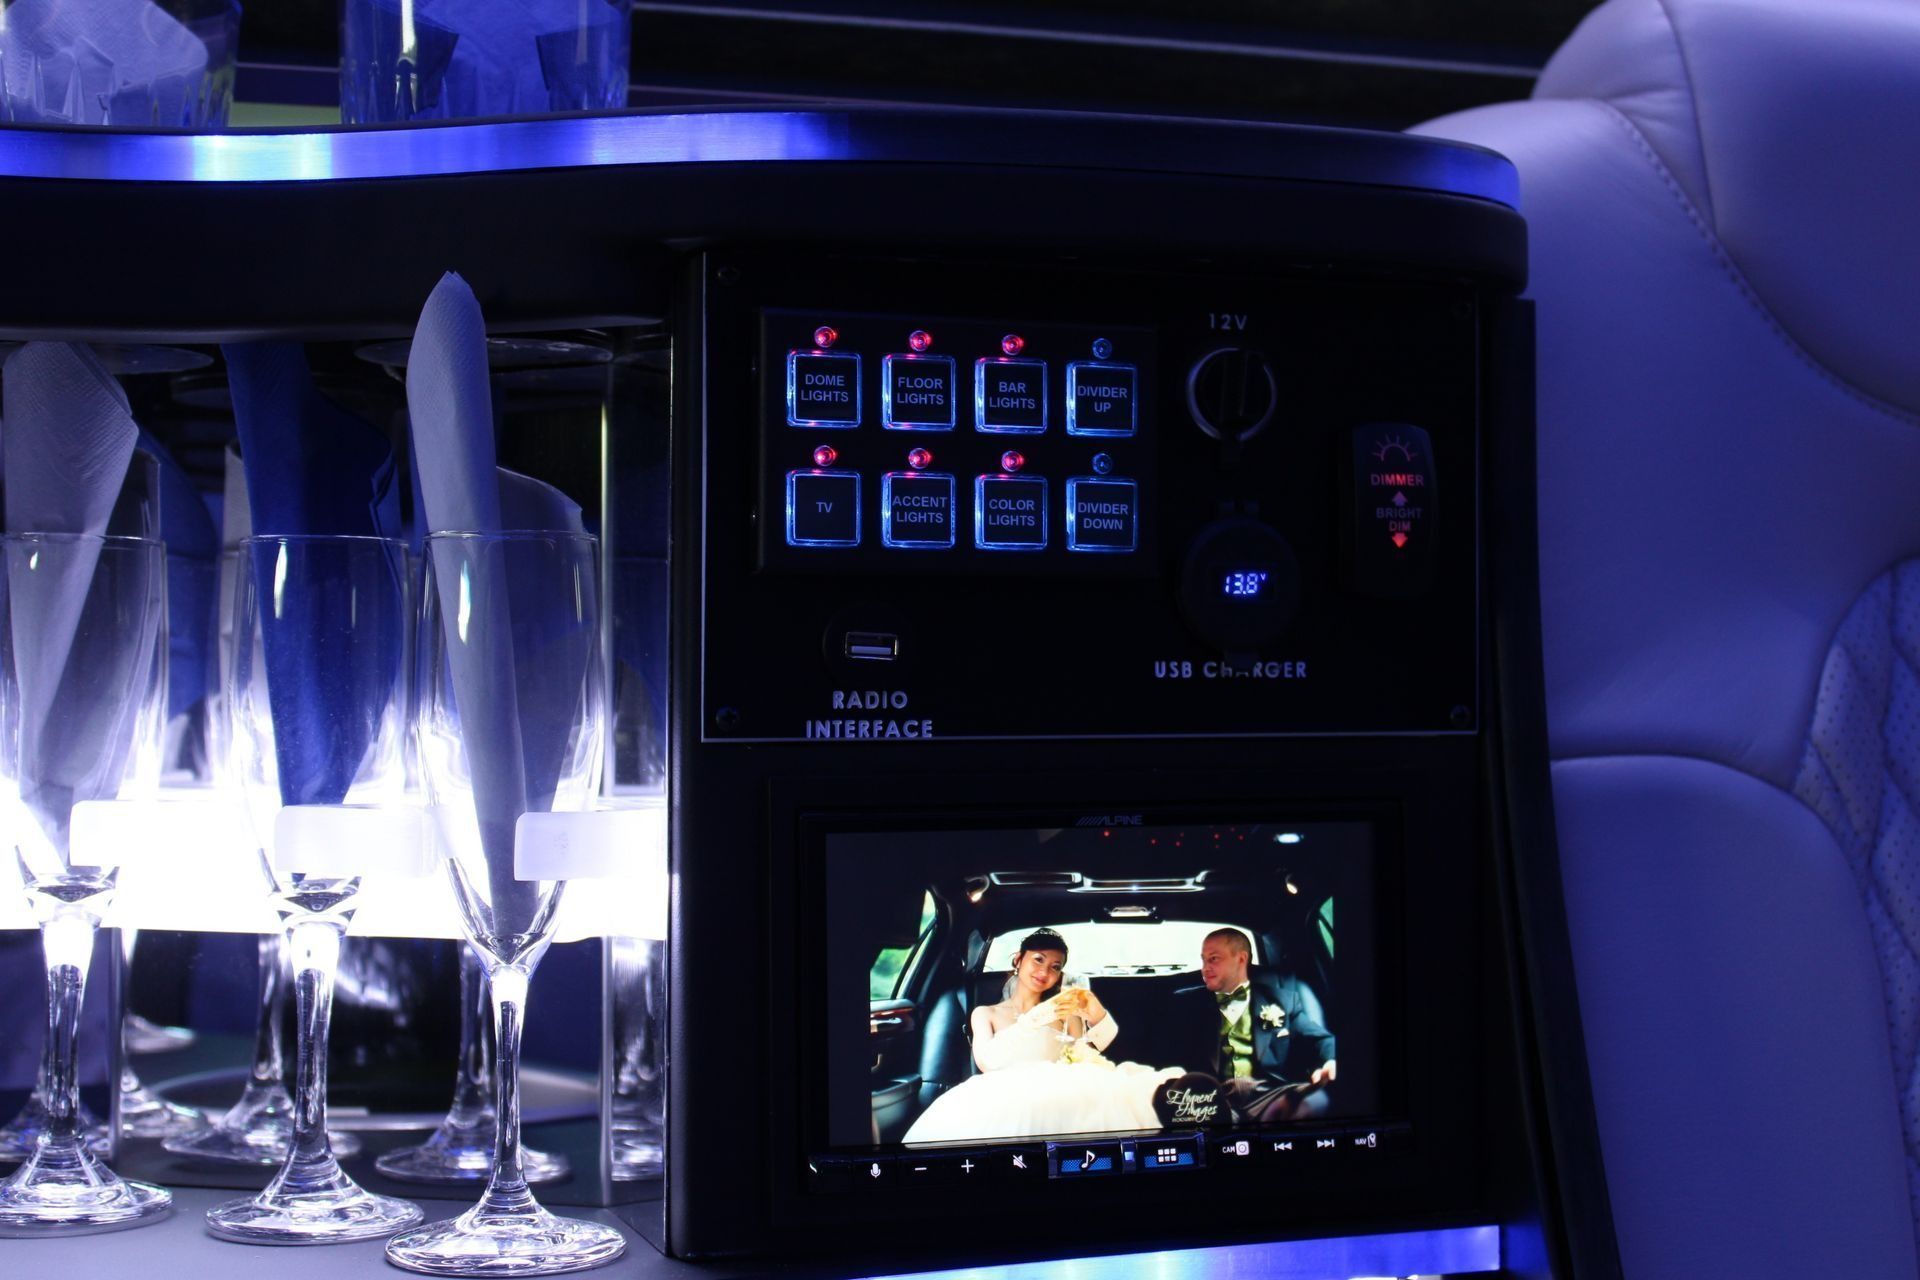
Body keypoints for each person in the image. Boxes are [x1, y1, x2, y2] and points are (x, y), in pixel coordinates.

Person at [900, 929, 1181, 1144]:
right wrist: (1034, 1019)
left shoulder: (1065, 1012)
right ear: (1018, 960)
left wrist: (1096, 1012)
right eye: (1038, 959)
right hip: (1006, 1093)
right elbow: (987, 1062)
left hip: (1064, 1092)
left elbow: (1090, 1049)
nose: (1045, 971)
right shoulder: (986, 1013)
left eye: (1055, 966)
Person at [1169, 927, 1336, 1122]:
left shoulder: (1282, 1000)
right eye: (1203, 960)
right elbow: (1168, 1058)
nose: (1205, 968)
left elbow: (1321, 1040)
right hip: (1211, 1100)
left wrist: (1330, 1061)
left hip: (1270, 1093)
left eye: (1213, 959)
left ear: (1241, 959)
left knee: (1313, 1102)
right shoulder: (1187, 1005)